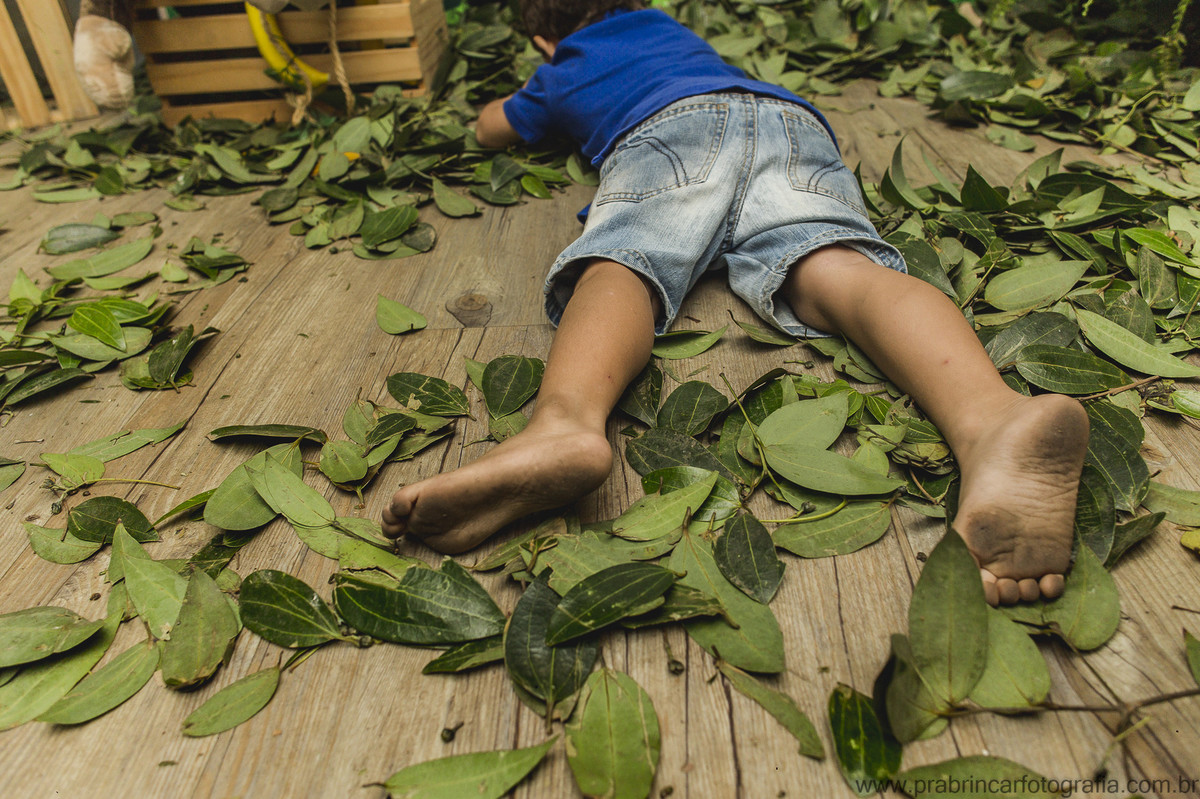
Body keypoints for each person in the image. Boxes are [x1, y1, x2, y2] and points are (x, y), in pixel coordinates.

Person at [382, 0, 1089, 606]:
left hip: (671, 130)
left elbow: (489, 129)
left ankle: (563, 422)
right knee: (836, 269)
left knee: (625, 258)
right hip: (789, 122)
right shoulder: (667, 27)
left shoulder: (563, 66)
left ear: (545, 38)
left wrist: (531, 87)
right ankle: (992, 418)